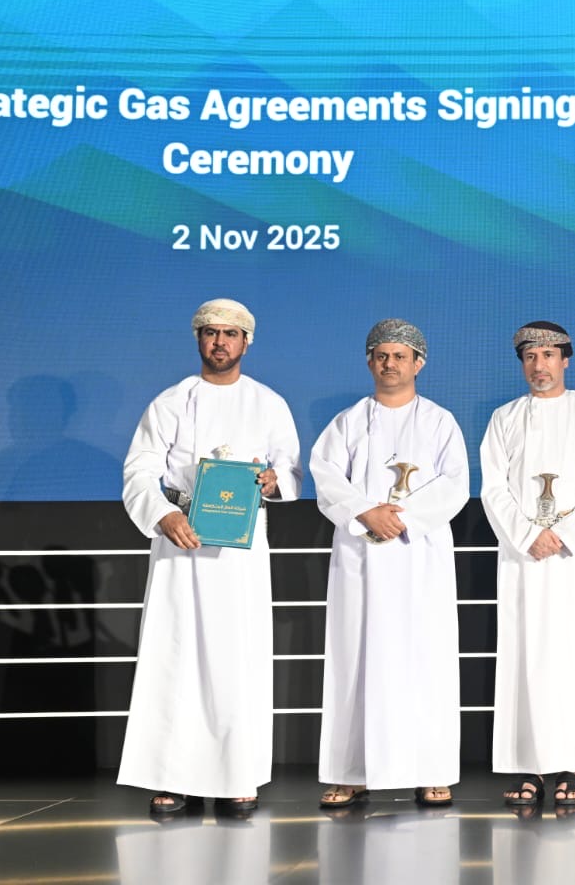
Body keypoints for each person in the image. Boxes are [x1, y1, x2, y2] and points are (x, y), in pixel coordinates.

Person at [118, 298, 301, 815]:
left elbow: (291, 470)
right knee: (175, 653)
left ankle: (238, 774)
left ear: (247, 342)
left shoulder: (268, 403)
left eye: (230, 334)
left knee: (239, 653)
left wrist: (274, 481)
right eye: (211, 332)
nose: (220, 342)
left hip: (241, 548)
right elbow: (139, 471)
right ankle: (172, 775)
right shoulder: (171, 402)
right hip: (181, 539)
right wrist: (163, 515)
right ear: (198, 338)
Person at [311, 319, 469, 810]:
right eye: (381, 355)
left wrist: (403, 519)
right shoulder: (348, 422)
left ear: (418, 363)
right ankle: (350, 772)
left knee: (427, 660)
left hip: (420, 558)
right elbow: (325, 475)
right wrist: (366, 512)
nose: (390, 364)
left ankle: (431, 770)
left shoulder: (440, 422)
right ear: (369, 362)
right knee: (354, 661)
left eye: (400, 356)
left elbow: (455, 484)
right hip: (362, 557)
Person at [481, 321, 575, 808]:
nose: (538, 366)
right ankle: (528, 766)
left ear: (565, 359)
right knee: (521, 655)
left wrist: (563, 533)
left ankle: (570, 764)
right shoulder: (504, 418)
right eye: (530, 357)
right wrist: (528, 535)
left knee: (571, 655)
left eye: (547, 356)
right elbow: (493, 487)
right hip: (521, 558)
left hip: (571, 556)